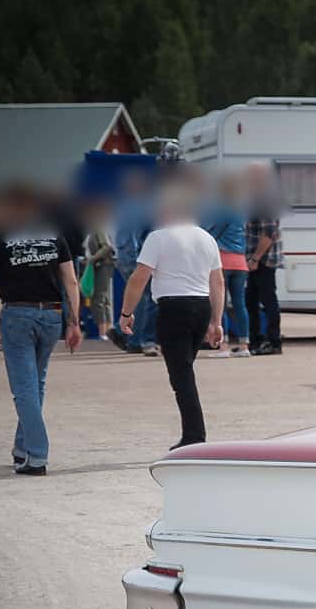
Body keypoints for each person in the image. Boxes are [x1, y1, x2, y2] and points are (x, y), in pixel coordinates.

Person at [0, 191, 83, 474]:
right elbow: (71, 281)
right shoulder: (54, 236)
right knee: (35, 384)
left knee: (24, 388)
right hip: (51, 315)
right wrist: (74, 322)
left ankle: (36, 456)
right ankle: (22, 447)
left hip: (17, 316)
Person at [120, 187, 224, 449]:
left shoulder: (158, 237)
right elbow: (218, 282)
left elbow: (139, 277)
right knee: (185, 369)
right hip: (201, 307)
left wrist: (126, 313)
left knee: (181, 375)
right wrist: (217, 321)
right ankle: (193, 433)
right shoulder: (206, 238)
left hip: (173, 308)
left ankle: (194, 435)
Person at [201, 175, 250, 356]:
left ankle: (223, 346)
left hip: (223, 261)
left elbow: (212, 233)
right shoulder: (241, 211)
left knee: (219, 304)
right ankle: (245, 345)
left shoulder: (223, 210)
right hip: (240, 263)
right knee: (239, 304)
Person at [113, 168, 158, 356]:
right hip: (134, 258)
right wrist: (138, 260)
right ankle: (141, 339)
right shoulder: (141, 207)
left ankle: (124, 334)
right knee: (150, 297)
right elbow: (133, 237)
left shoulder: (122, 206)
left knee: (137, 297)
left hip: (123, 257)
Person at [244, 162, 283, 355]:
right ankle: (256, 339)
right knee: (250, 300)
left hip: (264, 260)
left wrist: (255, 258)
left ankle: (274, 341)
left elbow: (269, 234)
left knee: (268, 300)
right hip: (256, 258)